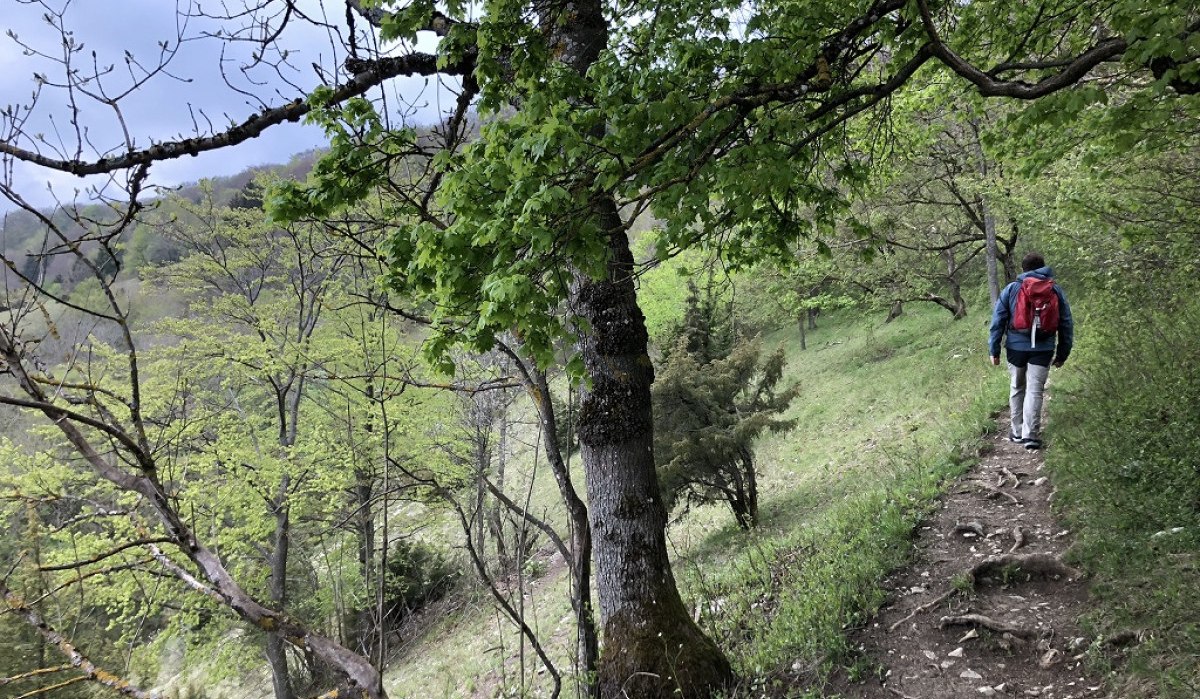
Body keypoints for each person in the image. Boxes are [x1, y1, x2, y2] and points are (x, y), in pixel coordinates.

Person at [988, 252, 1074, 450]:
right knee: (1035, 390)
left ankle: (1017, 432)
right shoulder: (1055, 290)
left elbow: (998, 321)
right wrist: (1063, 353)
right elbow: (1066, 323)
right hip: (1043, 348)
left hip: (1016, 347)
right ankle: (1031, 435)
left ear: (1023, 269)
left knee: (1017, 387)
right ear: (1043, 267)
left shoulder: (1012, 289)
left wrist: (994, 350)